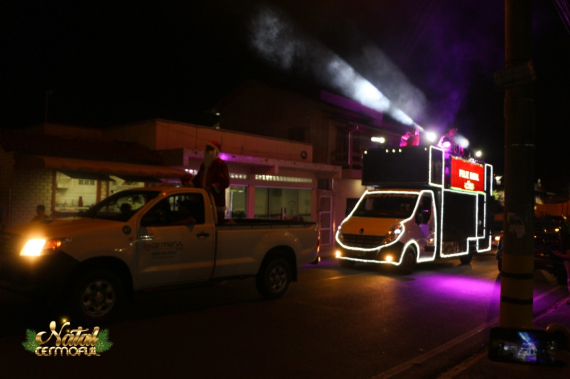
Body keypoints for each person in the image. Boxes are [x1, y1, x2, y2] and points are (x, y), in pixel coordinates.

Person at [192, 140, 230, 223]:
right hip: (203, 200)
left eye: (210, 149)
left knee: (215, 222)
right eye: (207, 149)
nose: (208, 151)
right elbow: (198, 178)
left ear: (215, 151)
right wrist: (191, 183)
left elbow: (225, 181)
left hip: (215, 201)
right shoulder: (204, 165)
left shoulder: (220, 164)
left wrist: (213, 187)